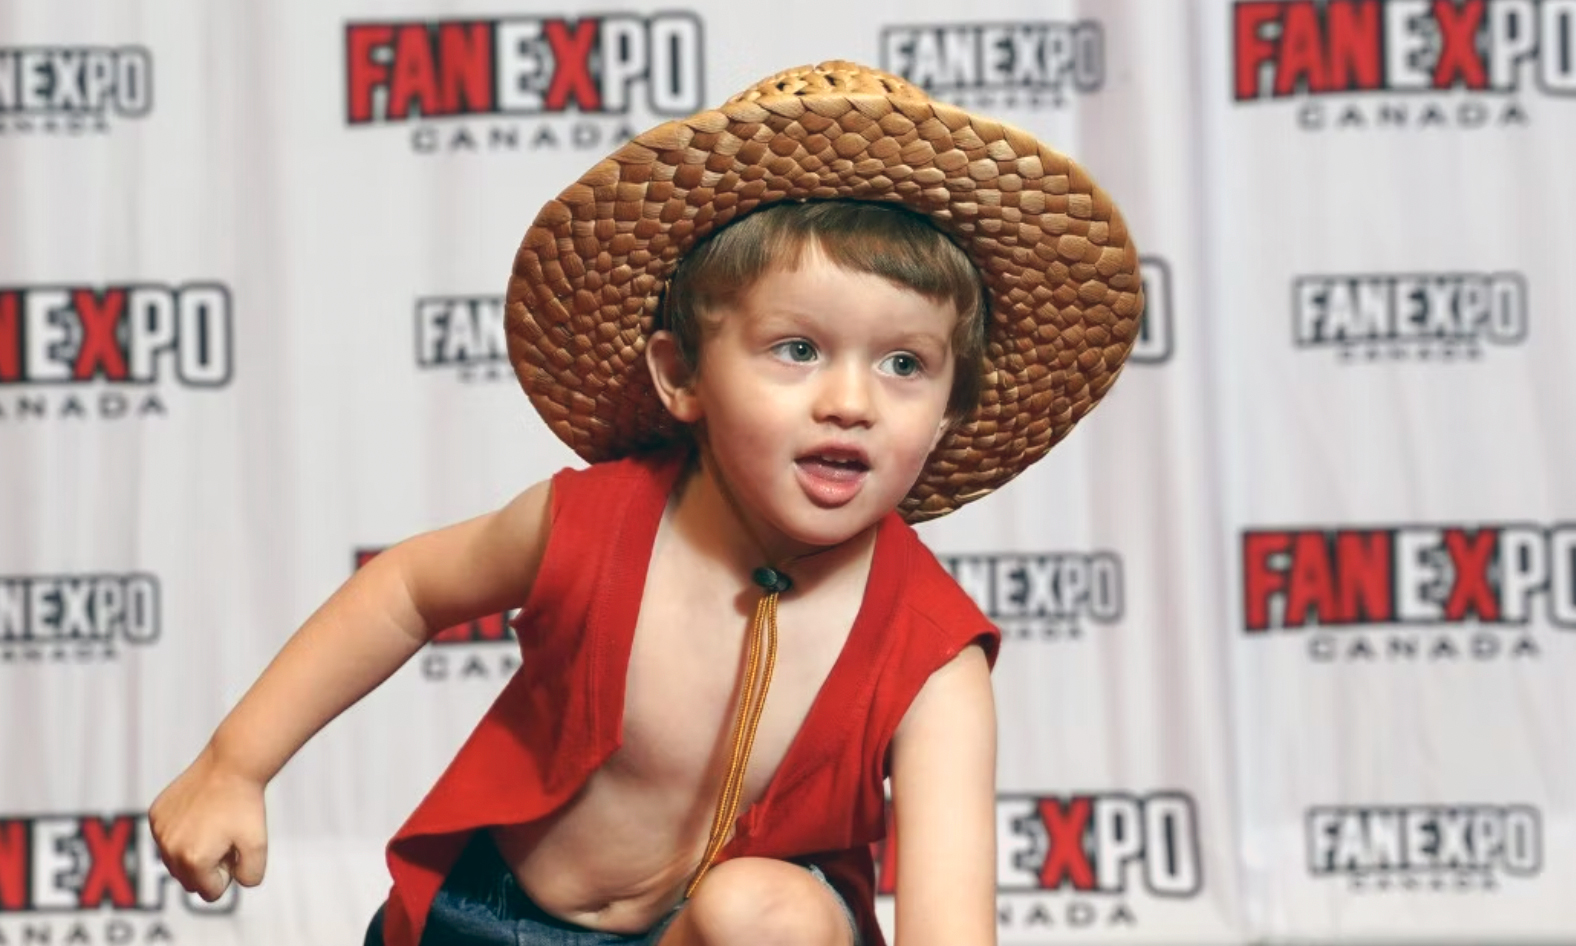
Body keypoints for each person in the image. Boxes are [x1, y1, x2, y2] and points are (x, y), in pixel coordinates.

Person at [148, 61, 1143, 946]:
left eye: (904, 364)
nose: (851, 399)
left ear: (945, 413)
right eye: (797, 348)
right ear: (680, 376)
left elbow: (948, 924)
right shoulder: (596, 521)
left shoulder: (933, 659)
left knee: (770, 911)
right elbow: (406, 589)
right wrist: (235, 763)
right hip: (493, 919)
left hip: (713, 933)